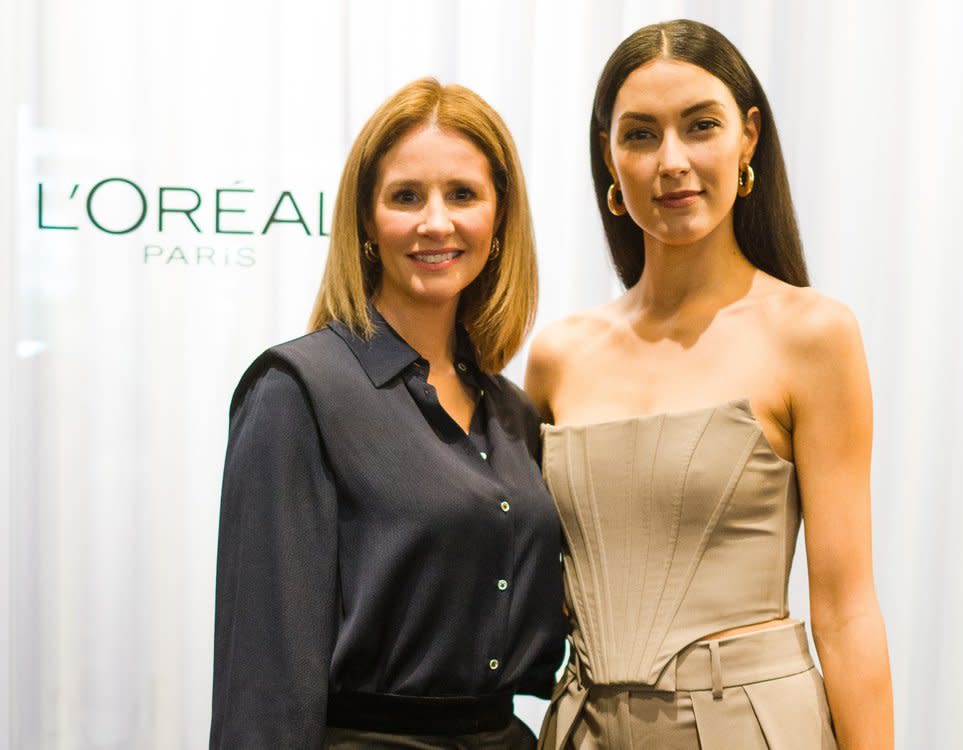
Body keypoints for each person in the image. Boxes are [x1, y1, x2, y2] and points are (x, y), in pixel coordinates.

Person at [526, 20, 893, 749]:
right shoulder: (558, 355)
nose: (673, 162)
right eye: (640, 134)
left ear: (747, 137)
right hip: (581, 729)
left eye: (701, 126)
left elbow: (847, 611)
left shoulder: (813, 336)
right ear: (609, 155)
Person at [210, 78, 565, 749]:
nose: (437, 222)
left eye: (463, 194)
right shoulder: (297, 390)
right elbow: (262, 674)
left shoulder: (513, 411)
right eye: (406, 196)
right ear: (368, 221)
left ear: (499, 217)